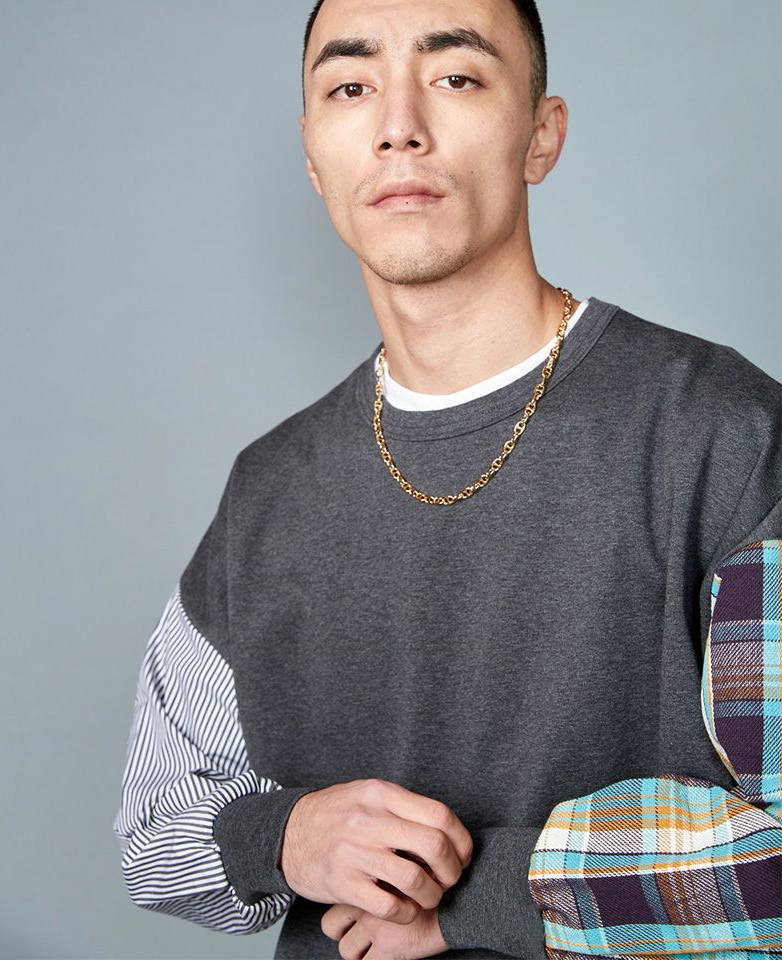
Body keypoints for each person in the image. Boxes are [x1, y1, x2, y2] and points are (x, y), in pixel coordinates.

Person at [112, 1, 782, 958]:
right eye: (351, 86)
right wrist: (287, 835)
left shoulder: (727, 434)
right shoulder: (267, 491)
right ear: (313, 157)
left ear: (540, 135)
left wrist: (491, 893)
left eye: (455, 77)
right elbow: (152, 835)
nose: (399, 125)